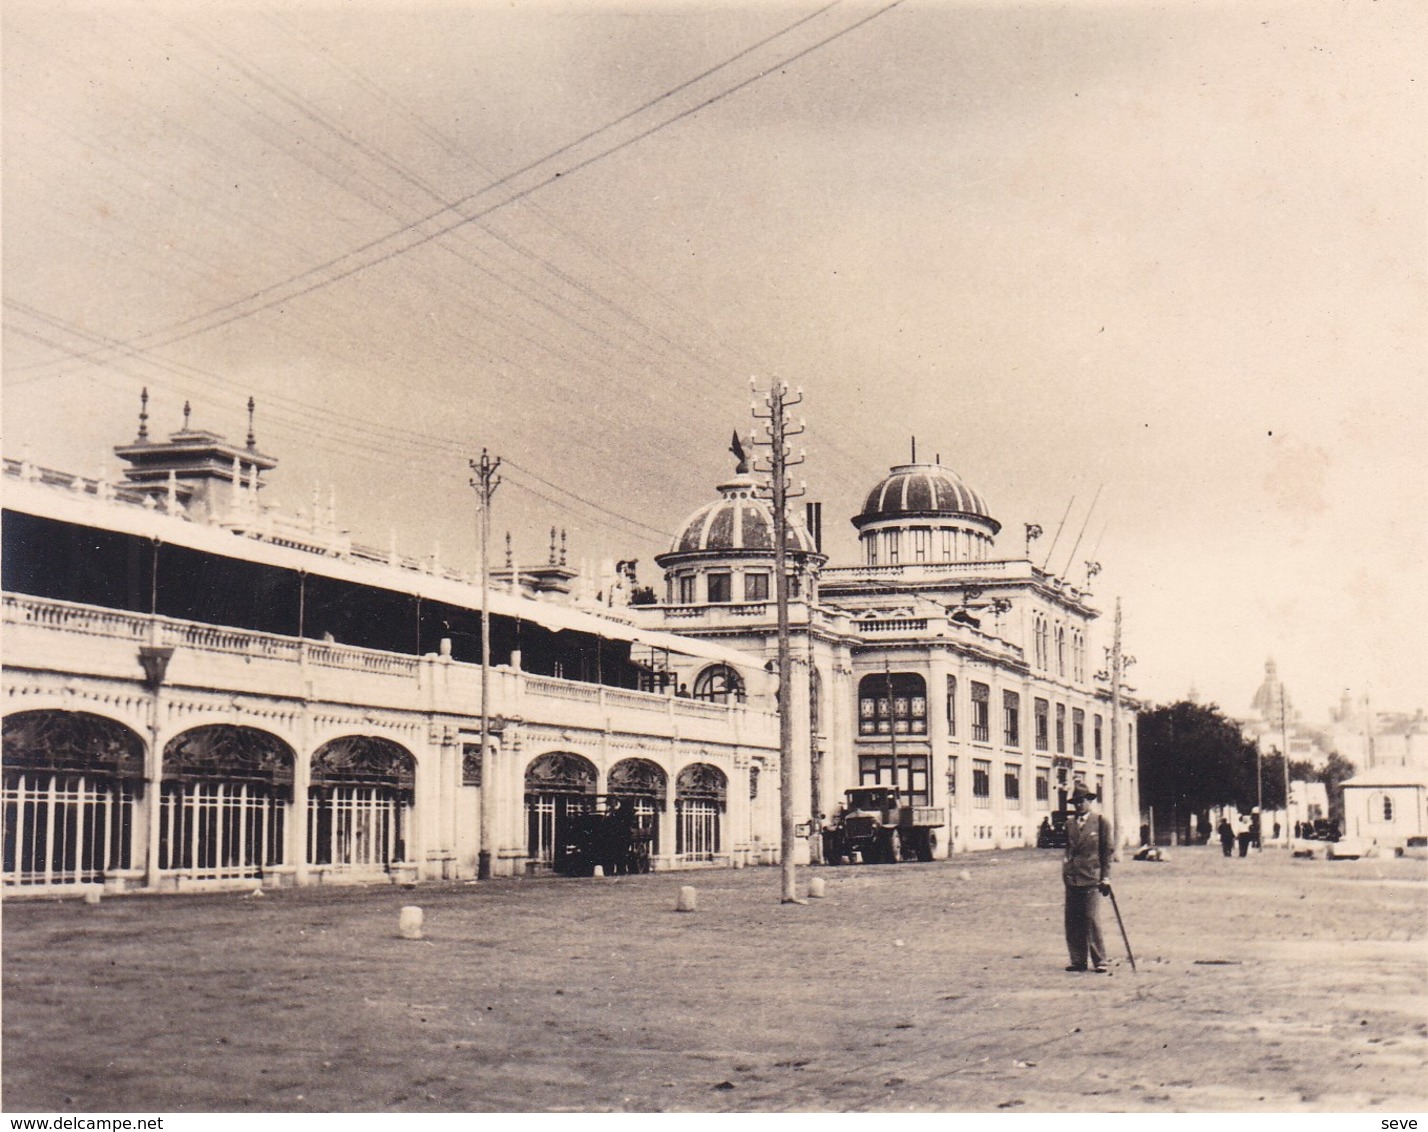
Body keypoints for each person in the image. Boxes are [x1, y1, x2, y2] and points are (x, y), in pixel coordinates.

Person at [1062, 782, 1113, 973]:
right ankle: (1078, 960)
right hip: (1073, 878)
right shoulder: (1069, 824)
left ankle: (1100, 960)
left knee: (1091, 919)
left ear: (1089, 801)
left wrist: (1106, 877)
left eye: (1081, 801)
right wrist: (1066, 870)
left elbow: (1106, 852)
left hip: (1092, 878)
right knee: (1073, 921)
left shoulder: (1100, 822)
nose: (1078, 805)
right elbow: (1068, 850)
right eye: (1075, 802)